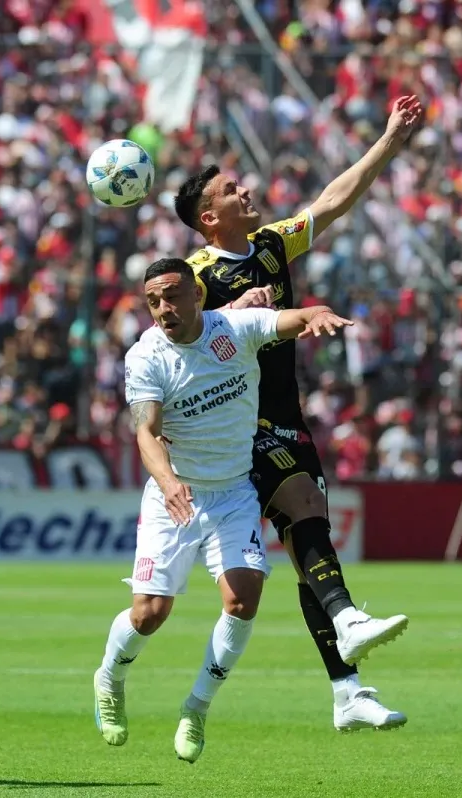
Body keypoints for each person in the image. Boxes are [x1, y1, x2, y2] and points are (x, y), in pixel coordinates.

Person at [171, 95, 426, 731]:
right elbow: (171, 332)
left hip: (288, 414)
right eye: (233, 188)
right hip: (237, 423)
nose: (247, 189)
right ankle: (348, 621)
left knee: (308, 540)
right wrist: (234, 317)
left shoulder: (269, 246)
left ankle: (347, 692)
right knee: (306, 513)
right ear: (210, 216)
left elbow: (333, 201)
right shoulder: (196, 277)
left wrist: (390, 139)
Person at [94, 258, 355, 762]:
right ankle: (110, 676)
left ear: (197, 293)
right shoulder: (145, 356)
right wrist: (168, 481)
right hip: (177, 494)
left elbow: (287, 320)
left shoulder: (232, 329)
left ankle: (196, 708)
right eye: (153, 301)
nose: (163, 309)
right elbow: (145, 432)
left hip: (234, 491)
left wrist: (314, 312)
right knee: (150, 613)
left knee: (242, 599)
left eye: (172, 295)